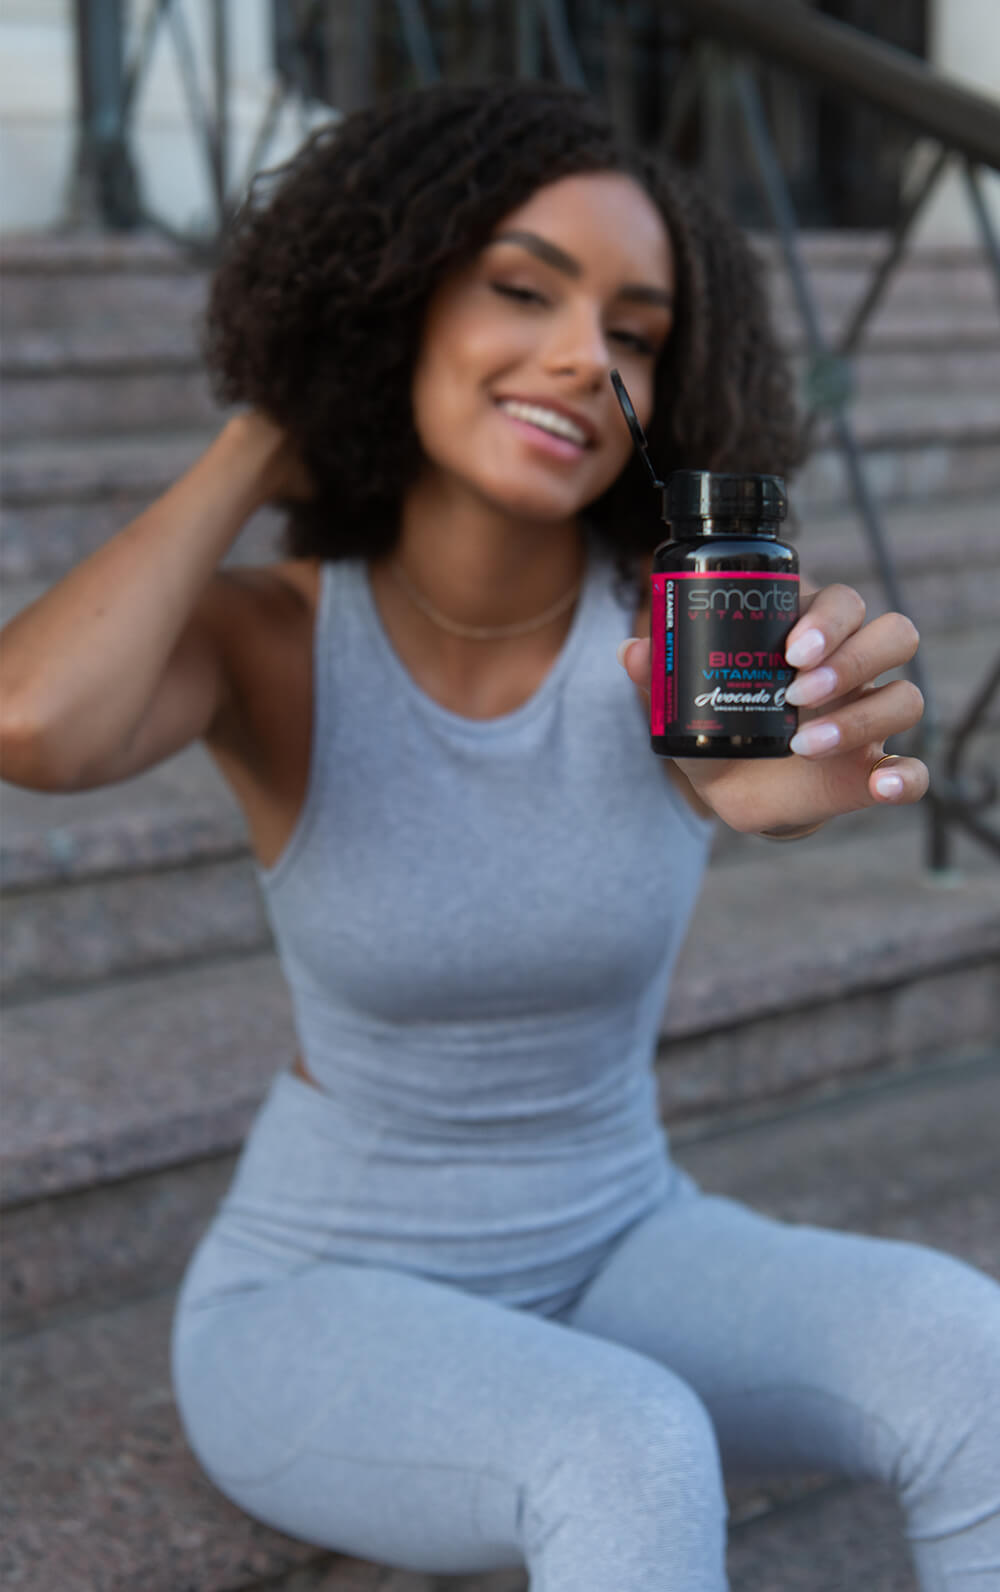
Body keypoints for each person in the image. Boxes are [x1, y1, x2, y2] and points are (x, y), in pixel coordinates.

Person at [1, 78, 997, 1592]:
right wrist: (276, 432)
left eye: (639, 333)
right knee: (621, 1443)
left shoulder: (666, 637)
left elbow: (741, 780)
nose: (583, 357)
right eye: (521, 290)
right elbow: (36, 725)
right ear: (393, 298)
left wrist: (789, 785)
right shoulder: (273, 641)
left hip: (620, 1243)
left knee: (965, 1347)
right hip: (321, 1296)